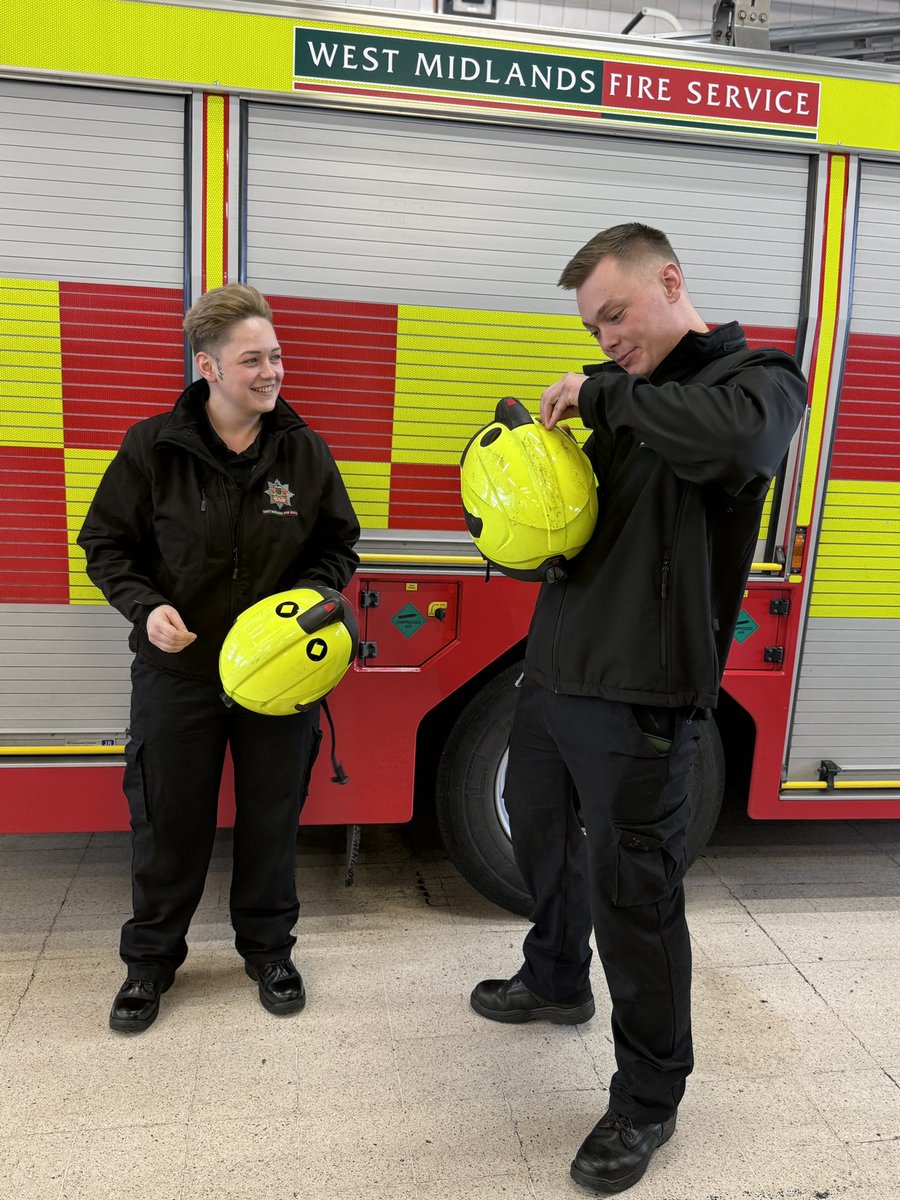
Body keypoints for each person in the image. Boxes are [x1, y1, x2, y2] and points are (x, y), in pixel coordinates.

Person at [470, 224, 807, 1193]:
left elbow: (739, 443)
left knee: (637, 901)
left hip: (647, 703)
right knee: (539, 833)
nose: (605, 339)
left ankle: (648, 1098)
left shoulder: (757, 379)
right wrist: (515, 496)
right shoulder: (623, 399)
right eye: (592, 326)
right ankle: (554, 976)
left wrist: (610, 391)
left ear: (670, 281)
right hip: (555, 672)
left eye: (615, 315)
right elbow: (574, 528)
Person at [78, 283, 360, 1033]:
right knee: (170, 822)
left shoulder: (303, 450)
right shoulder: (153, 449)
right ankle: (149, 964)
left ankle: (269, 951)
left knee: (272, 819)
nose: (272, 372)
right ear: (208, 367)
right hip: (180, 677)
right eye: (253, 360)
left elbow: (337, 546)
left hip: (279, 680)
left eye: (276, 355)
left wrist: (301, 607)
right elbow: (104, 546)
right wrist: (146, 609)